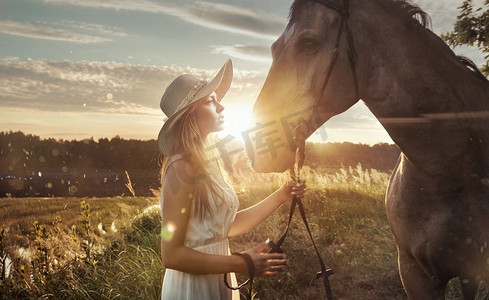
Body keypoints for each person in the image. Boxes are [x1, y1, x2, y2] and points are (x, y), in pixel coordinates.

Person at [157, 59, 306, 300]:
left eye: (217, 98)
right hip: (192, 290)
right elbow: (171, 255)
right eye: (209, 100)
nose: (221, 106)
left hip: (217, 280)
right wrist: (242, 262)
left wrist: (282, 194)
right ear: (190, 116)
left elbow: (226, 227)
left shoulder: (206, 163)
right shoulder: (180, 168)